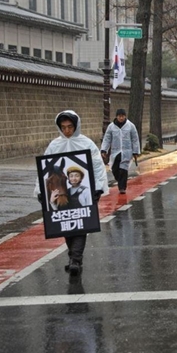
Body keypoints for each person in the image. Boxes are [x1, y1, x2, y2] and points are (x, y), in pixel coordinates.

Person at [35, 110, 109, 277]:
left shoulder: (87, 144)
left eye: (70, 127)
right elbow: (45, 171)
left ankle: (75, 259)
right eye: (63, 127)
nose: (67, 130)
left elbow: (97, 166)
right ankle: (74, 258)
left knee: (81, 225)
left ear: (76, 126)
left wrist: (97, 188)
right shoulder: (54, 146)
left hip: (83, 193)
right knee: (67, 225)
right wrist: (41, 191)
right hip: (63, 195)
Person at [101, 109, 140, 194]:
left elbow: (135, 139)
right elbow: (107, 139)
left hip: (127, 152)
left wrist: (135, 151)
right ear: (116, 116)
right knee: (115, 169)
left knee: (123, 169)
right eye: (119, 116)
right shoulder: (111, 127)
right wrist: (104, 149)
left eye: (123, 116)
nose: (121, 118)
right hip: (115, 152)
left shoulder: (130, 126)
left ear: (125, 116)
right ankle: (121, 180)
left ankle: (122, 187)